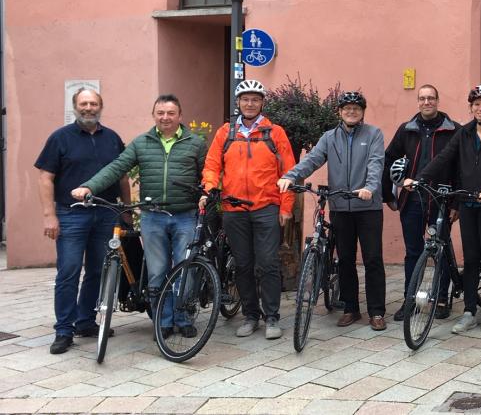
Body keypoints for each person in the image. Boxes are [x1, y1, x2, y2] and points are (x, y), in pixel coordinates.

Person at [73, 94, 207, 339]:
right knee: (157, 271)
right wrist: (89, 186)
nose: (165, 118)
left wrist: (207, 194)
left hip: (185, 215)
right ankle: (163, 321)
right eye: (160, 113)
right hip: (152, 217)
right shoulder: (142, 143)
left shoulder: (195, 143)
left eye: (170, 113)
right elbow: (116, 168)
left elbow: (206, 174)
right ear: (153, 115)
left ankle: (183, 317)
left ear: (180, 116)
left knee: (185, 269)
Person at [278, 91, 387, 330]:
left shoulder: (373, 134)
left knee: (373, 259)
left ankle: (377, 311)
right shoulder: (329, 137)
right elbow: (313, 160)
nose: (351, 112)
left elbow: (376, 163)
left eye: (356, 108)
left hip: (367, 207)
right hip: (340, 207)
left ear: (362, 112)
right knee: (345, 259)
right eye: (347, 108)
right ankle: (350, 308)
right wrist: (291, 176)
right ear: (339, 112)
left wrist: (369, 187)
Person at [414, 85, 481, 334]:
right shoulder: (464, 133)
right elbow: (444, 158)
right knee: (470, 259)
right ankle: (469, 310)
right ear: (471, 108)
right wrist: (420, 178)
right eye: (476, 104)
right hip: (468, 203)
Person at [35, 87, 130, 354]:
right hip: (71, 214)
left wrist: (125, 210)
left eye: (93, 104)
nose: (89, 108)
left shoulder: (112, 138)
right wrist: (49, 215)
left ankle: (85, 321)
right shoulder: (60, 138)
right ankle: (64, 330)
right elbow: (45, 178)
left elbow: (122, 177)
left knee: (98, 271)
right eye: (84, 103)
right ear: (75, 106)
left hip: (106, 213)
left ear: (101, 106)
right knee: (69, 271)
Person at [201, 79, 296, 340]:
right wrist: (209, 188)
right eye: (245, 99)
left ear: (262, 103)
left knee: (268, 263)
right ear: (238, 103)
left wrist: (286, 206)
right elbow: (212, 165)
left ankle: (272, 317)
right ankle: (251, 315)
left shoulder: (275, 132)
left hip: (266, 207)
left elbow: (289, 172)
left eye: (255, 99)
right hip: (233, 208)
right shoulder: (226, 132)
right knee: (243, 265)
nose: (250, 104)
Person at [383, 84, 461, 321]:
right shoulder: (406, 130)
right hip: (412, 200)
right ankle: (410, 300)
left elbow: (461, 167)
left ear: (437, 101)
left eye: (431, 98)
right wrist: (389, 195)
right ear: (418, 102)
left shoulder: (454, 130)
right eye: (423, 98)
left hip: (441, 199)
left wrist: (456, 203)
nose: (427, 102)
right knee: (413, 252)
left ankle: (441, 299)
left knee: (441, 250)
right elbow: (388, 160)